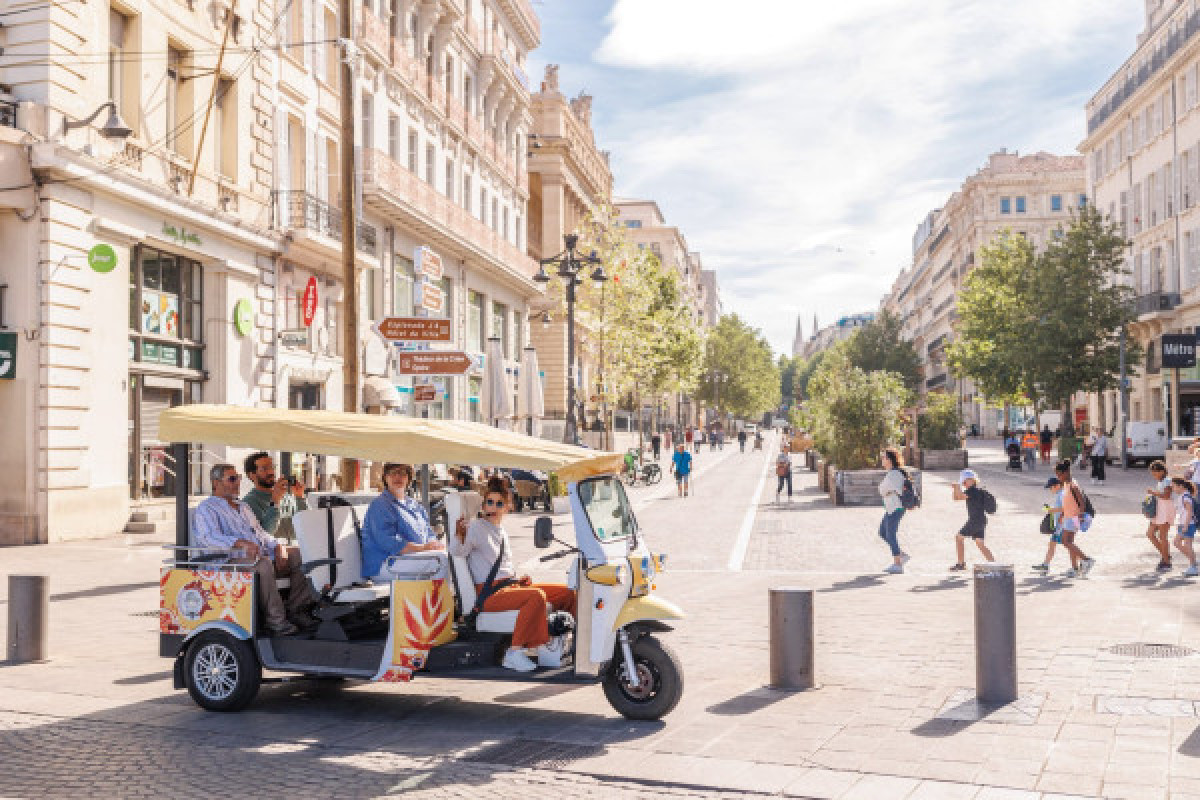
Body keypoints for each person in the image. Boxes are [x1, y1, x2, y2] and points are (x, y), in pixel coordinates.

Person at [450, 478, 575, 672]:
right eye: (489, 502)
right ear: (483, 505)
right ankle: (514, 652)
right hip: (490, 595)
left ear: (507, 507)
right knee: (536, 597)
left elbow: (502, 567)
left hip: (509, 587)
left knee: (568, 593)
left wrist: (517, 579)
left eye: (499, 503)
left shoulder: (500, 531)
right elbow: (457, 552)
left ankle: (571, 642)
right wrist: (458, 534)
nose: (494, 507)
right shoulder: (477, 527)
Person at [192, 464, 318, 636]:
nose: (237, 483)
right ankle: (277, 622)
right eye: (232, 479)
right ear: (216, 483)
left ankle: (297, 610)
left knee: (299, 555)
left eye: (238, 478)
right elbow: (209, 538)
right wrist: (239, 542)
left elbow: (260, 534)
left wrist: (278, 545)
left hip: (255, 555)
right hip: (225, 562)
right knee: (262, 564)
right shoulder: (207, 508)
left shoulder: (242, 507)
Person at [360, 463, 445, 581]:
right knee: (440, 560)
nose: (397, 477)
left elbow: (429, 534)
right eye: (392, 473)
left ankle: (441, 597)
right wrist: (423, 548)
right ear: (385, 477)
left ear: (409, 478)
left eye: (402, 473)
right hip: (386, 564)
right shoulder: (380, 505)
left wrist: (434, 544)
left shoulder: (415, 505)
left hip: (411, 559)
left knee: (449, 556)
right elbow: (388, 542)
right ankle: (441, 598)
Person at [241, 451, 308, 539]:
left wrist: (299, 497)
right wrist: (274, 501)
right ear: (252, 475)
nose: (271, 472)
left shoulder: (286, 496)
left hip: (296, 550)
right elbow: (265, 535)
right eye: (264, 469)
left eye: (272, 467)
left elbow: (305, 528)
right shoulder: (248, 503)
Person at [1053, 460, 1095, 578]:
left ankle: (1086, 560)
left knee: (1065, 541)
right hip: (1069, 517)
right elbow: (1069, 502)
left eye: (1059, 474)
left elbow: (1081, 503)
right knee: (1070, 542)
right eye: (1056, 474)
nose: (1058, 477)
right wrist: (1063, 514)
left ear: (1066, 472)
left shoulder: (1073, 485)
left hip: (1073, 518)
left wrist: (1080, 518)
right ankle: (1075, 568)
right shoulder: (1067, 484)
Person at [950, 469, 995, 570]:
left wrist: (957, 487)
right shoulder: (974, 491)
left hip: (975, 520)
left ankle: (961, 564)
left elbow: (958, 497)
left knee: (959, 537)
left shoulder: (973, 491)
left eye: (965, 481)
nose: (964, 483)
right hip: (980, 520)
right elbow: (956, 498)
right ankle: (994, 565)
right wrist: (956, 488)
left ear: (972, 480)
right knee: (980, 543)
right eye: (963, 481)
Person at [877, 448, 910, 575]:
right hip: (892, 507)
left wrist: (884, 490)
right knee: (882, 532)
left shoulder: (894, 474)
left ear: (890, 460)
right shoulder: (892, 472)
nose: (882, 459)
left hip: (896, 507)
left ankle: (898, 564)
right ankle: (901, 555)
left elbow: (883, 490)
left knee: (890, 534)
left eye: (884, 457)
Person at [1146, 460, 1174, 572]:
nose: (1154, 475)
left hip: (1165, 511)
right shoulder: (1161, 481)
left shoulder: (1167, 481)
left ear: (1162, 471)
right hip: (1158, 511)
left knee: (1163, 537)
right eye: (1152, 473)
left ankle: (1166, 562)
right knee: (1150, 534)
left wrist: (1153, 493)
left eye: (1155, 473)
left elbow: (1167, 496)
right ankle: (1166, 555)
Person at [1032, 477, 1064, 574]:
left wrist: (1051, 510)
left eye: (1051, 488)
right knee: (1052, 544)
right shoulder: (1059, 494)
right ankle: (1045, 565)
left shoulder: (1062, 494)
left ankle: (1084, 560)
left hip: (1063, 524)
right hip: (1060, 524)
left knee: (1068, 545)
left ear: (1057, 486)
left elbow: (1065, 508)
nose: (1050, 490)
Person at [1173, 477, 1200, 577]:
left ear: (1181, 486)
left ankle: (1193, 567)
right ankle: (1193, 561)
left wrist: (1185, 526)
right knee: (1176, 542)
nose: (1173, 488)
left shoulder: (1186, 497)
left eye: (1174, 486)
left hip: (1188, 524)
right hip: (1183, 524)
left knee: (1187, 544)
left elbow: (1189, 512)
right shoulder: (1183, 496)